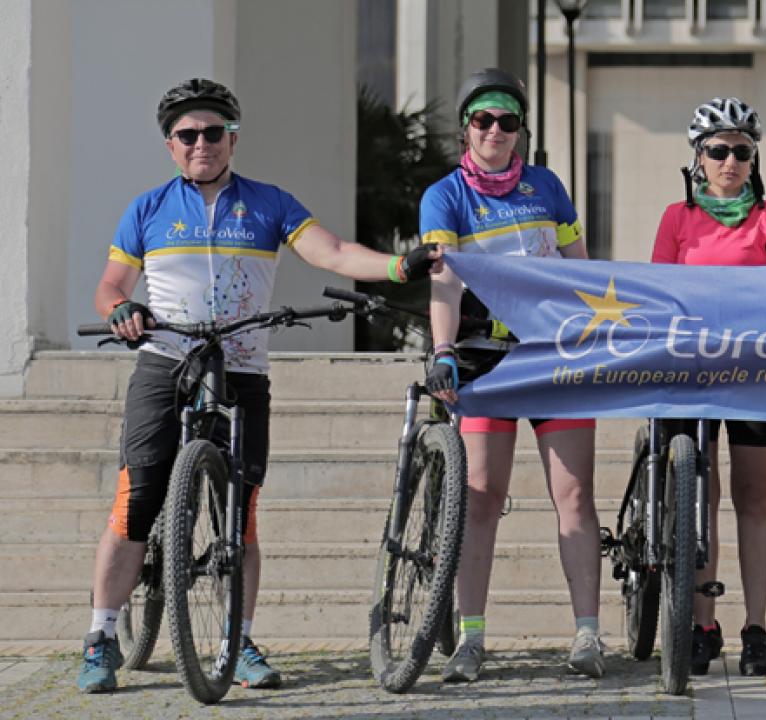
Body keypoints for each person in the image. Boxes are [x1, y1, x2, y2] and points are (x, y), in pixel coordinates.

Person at [77, 78, 437, 694]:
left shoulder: (269, 203)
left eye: (213, 132)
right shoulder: (148, 208)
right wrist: (120, 310)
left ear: (232, 138)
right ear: (170, 145)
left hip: (242, 368)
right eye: (187, 135)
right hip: (165, 361)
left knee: (240, 515)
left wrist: (398, 266)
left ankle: (236, 638)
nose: (201, 144)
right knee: (135, 501)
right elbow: (109, 286)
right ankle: (101, 636)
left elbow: (332, 252)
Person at [421, 68, 604, 681]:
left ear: (520, 129)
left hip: (553, 356)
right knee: (481, 500)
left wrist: (600, 330)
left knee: (574, 496)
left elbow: (581, 268)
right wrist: (443, 348)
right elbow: (443, 279)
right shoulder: (445, 196)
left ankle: (587, 636)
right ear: (466, 128)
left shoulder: (547, 186)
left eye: (507, 121)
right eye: (483, 120)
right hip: (483, 356)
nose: (495, 130)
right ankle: (470, 640)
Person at [651, 97, 766, 677]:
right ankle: (701, 623)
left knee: (754, 497)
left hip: (755, 368)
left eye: (741, 151)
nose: (730, 162)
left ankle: (756, 628)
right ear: (698, 158)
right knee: (698, 497)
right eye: (718, 151)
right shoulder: (676, 217)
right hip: (688, 367)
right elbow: (659, 289)